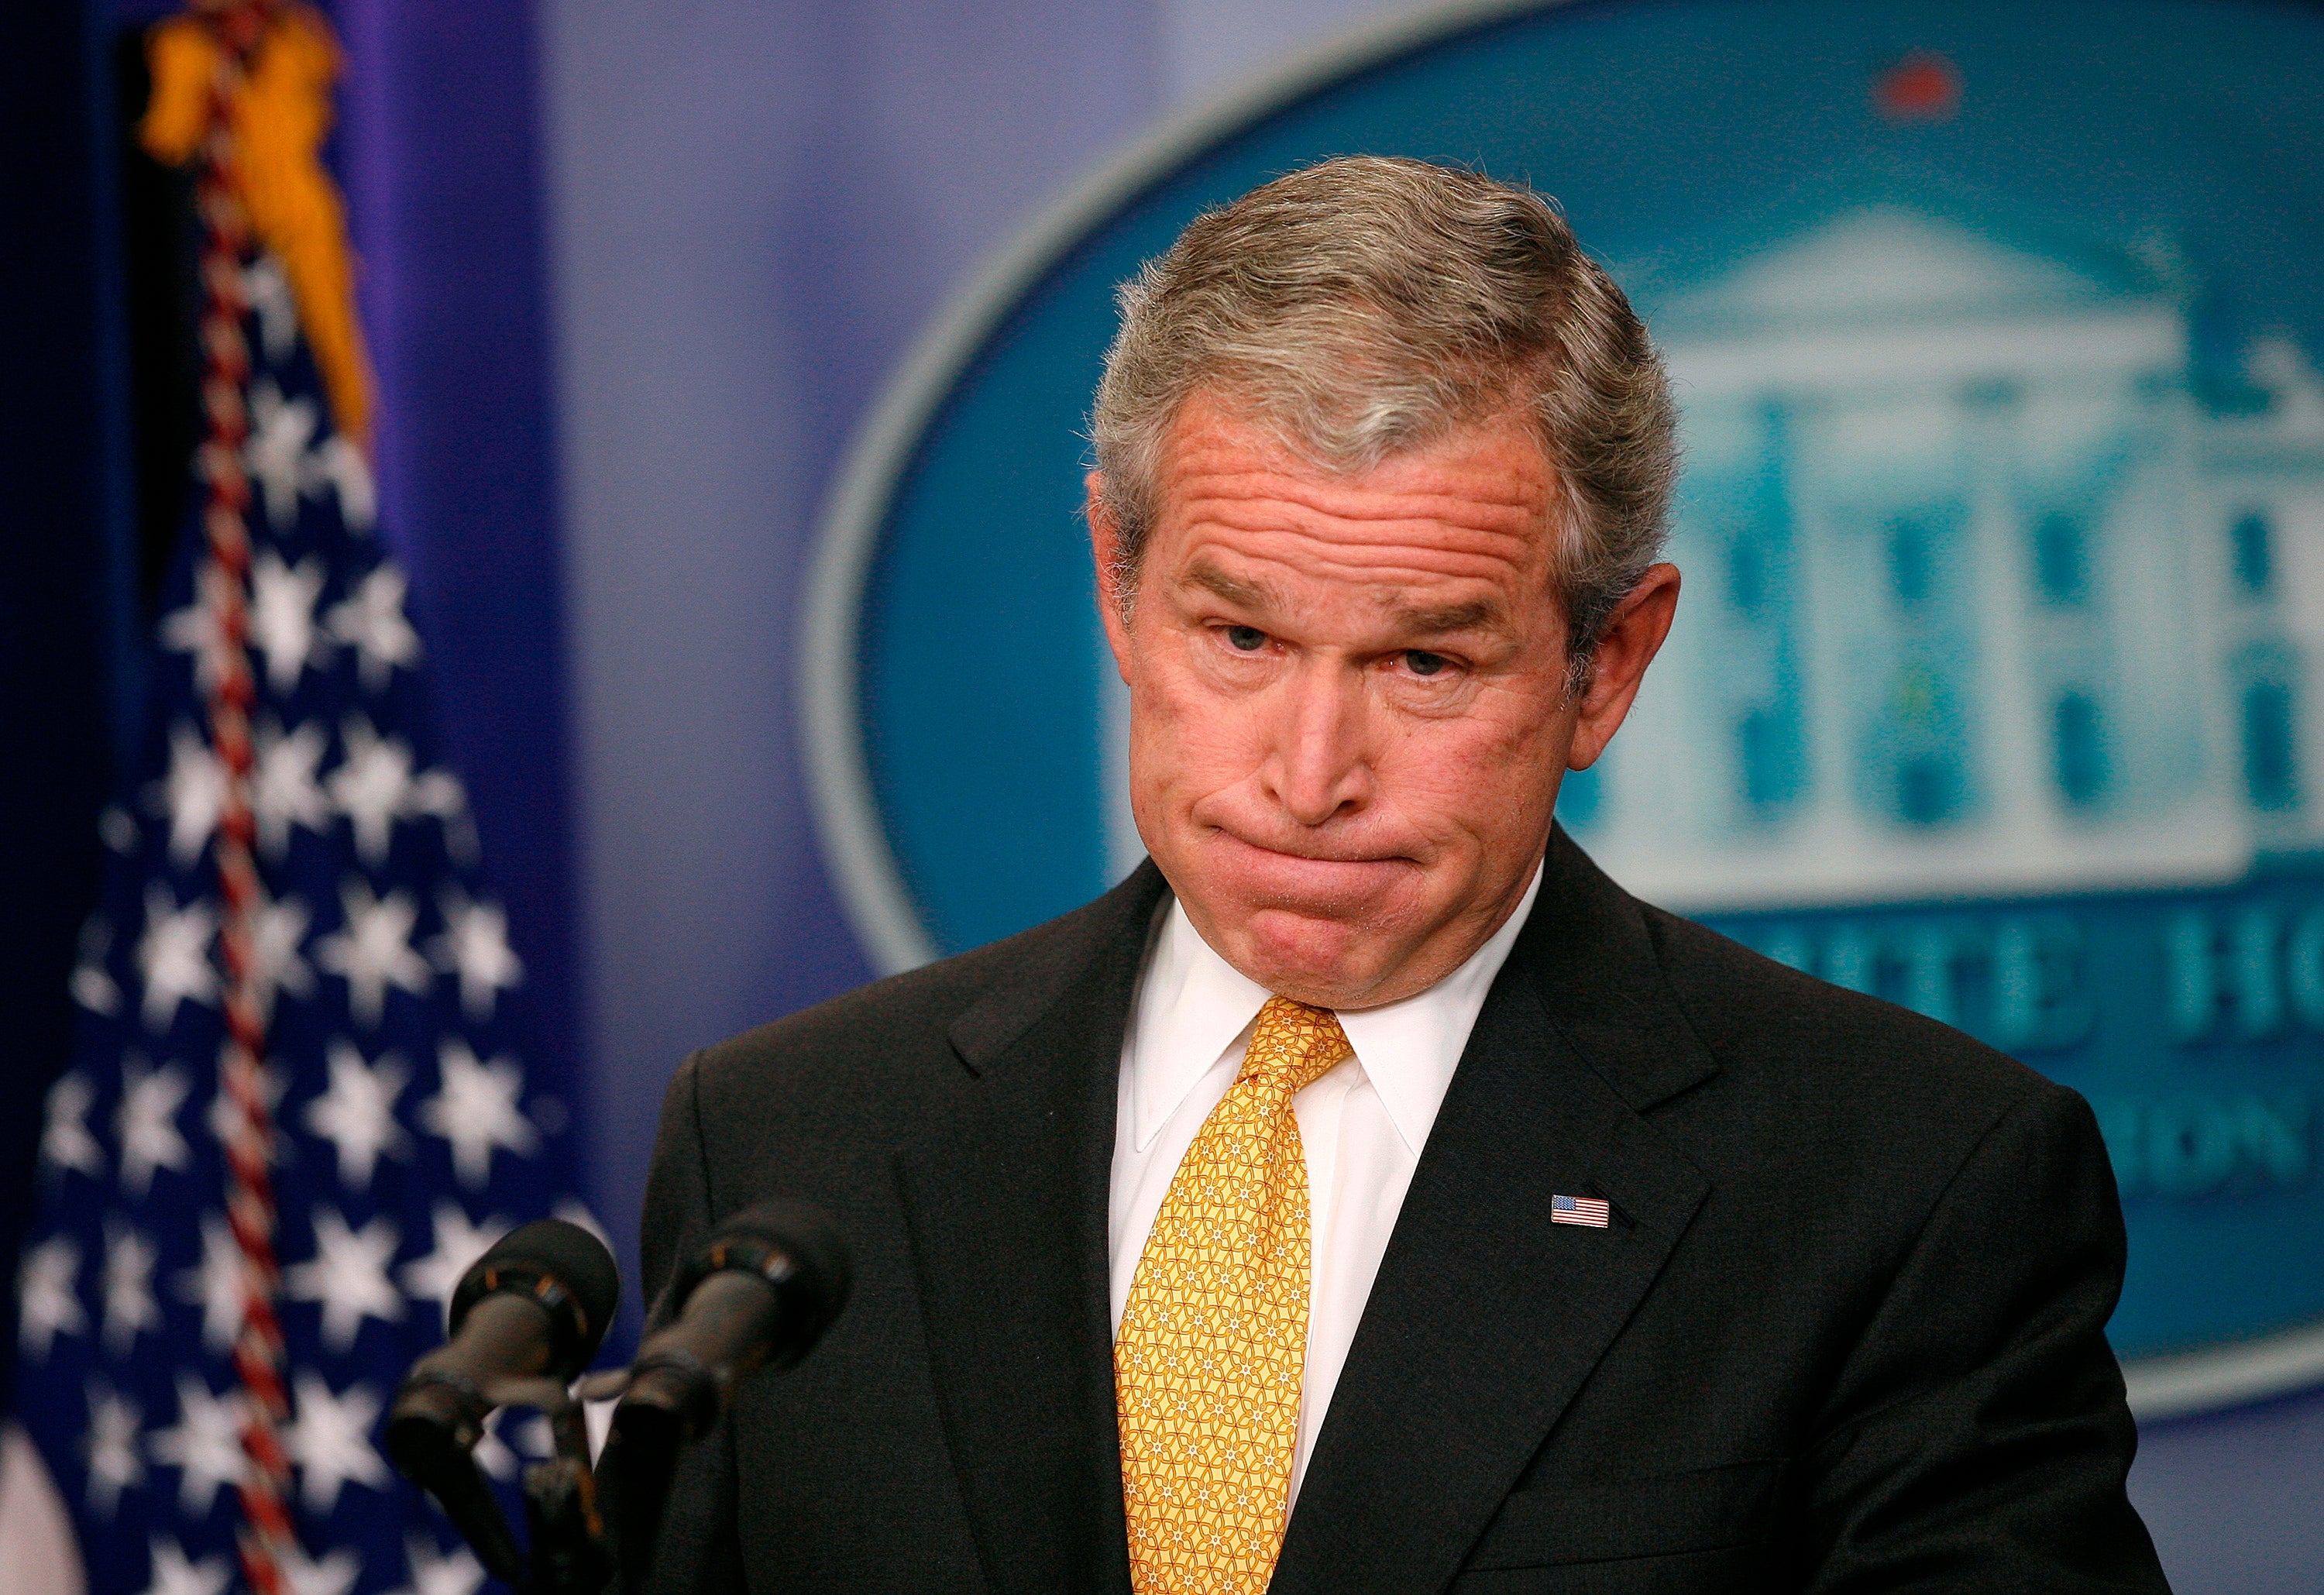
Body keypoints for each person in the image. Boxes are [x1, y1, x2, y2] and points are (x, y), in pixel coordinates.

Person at [637, 156, 2169, 1593]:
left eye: (1425, 661)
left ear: (1606, 666)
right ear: (1118, 583)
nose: (1310, 776)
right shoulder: (787, 1141)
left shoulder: (1908, 1185)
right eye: (1241, 636)